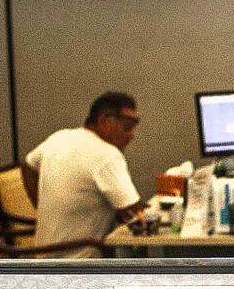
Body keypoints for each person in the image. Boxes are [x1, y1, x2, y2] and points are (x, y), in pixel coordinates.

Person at [20, 91, 144, 258]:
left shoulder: (60, 137)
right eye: (127, 128)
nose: (131, 136)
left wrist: (40, 205)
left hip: (43, 260)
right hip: (82, 263)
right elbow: (134, 216)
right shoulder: (107, 154)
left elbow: (27, 165)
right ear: (105, 120)